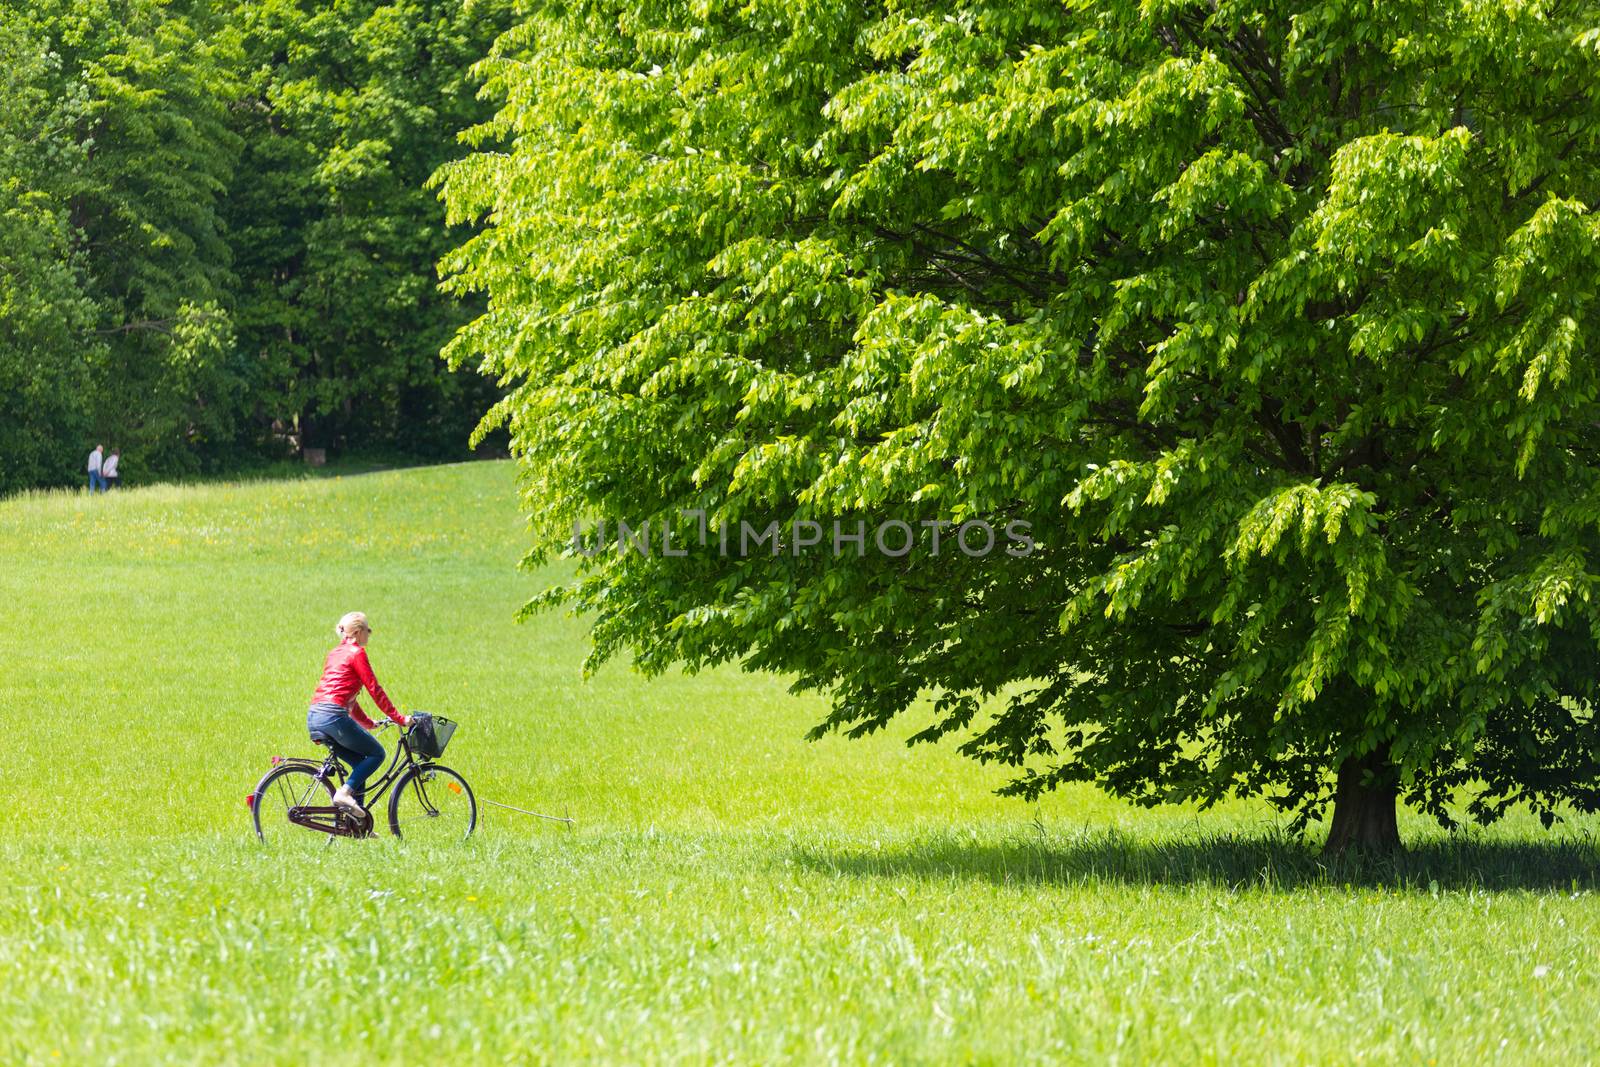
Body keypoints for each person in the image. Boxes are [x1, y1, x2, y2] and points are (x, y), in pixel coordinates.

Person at [307, 611, 410, 818]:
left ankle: (357, 825)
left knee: (359, 764)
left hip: (315, 716)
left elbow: (349, 700)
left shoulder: (335, 653)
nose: (369, 635)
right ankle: (344, 793)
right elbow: (374, 689)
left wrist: (368, 723)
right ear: (358, 631)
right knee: (377, 754)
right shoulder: (357, 653)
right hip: (333, 716)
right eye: (368, 630)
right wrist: (400, 718)